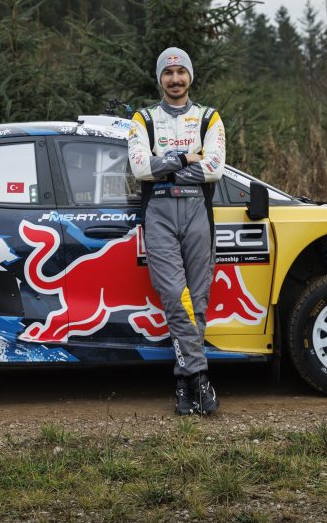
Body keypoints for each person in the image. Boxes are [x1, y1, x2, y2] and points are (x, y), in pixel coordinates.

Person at [128, 47, 226, 416]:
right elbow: (140, 169)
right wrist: (186, 158)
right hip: (159, 212)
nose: (175, 79)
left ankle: (186, 385)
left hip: (198, 210)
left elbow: (214, 169)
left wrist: (164, 166)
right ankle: (199, 377)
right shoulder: (144, 118)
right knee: (174, 295)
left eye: (181, 72)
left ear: (190, 77)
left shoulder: (208, 117)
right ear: (160, 79)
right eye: (168, 73)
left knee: (196, 300)